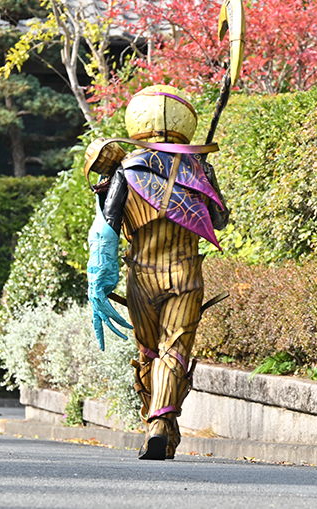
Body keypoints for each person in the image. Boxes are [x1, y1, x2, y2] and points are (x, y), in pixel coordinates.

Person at [83, 85, 226, 460]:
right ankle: (162, 424)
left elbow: (106, 228)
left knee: (149, 351)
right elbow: (220, 220)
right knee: (173, 350)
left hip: (141, 277)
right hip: (185, 274)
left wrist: (99, 282)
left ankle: (158, 424)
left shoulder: (125, 172)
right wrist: (203, 177)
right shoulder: (197, 170)